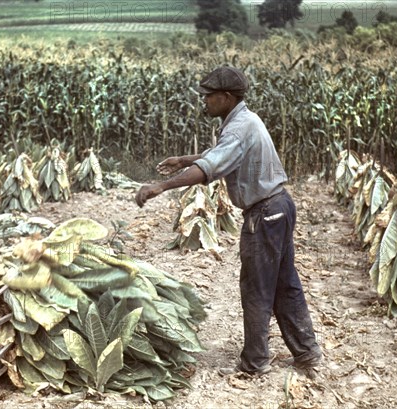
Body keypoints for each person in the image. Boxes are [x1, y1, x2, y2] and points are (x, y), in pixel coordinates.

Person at [135, 66, 322, 375]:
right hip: (279, 205)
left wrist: (160, 186)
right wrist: (185, 159)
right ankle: (307, 351)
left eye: (208, 97)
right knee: (284, 283)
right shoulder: (244, 121)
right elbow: (223, 154)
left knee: (257, 288)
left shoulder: (237, 128)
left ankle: (255, 362)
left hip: (264, 214)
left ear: (226, 97)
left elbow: (210, 167)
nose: (204, 102)